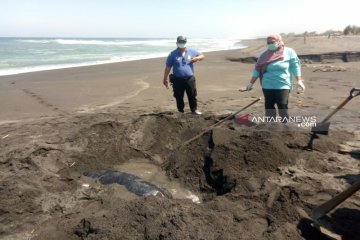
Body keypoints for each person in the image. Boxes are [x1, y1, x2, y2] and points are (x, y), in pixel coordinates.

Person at [240, 34, 305, 122]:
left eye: (272, 42)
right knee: (269, 106)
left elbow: (295, 66)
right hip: (267, 85)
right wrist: (251, 83)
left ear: (279, 41)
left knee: (282, 105)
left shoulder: (289, 52)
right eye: (268, 42)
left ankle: (285, 125)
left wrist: (299, 80)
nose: (270, 44)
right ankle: (271, 127)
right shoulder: (263, 55)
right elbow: (257, 70)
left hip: (283, 84)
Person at [163, 36, 205, 115]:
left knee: (192, 95)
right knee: (179, 97)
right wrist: (165, 78)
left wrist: (197, 58)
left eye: (183, 42)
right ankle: (181, 111)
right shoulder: (172, 54)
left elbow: (202, 56)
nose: (181, 44)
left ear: (186, 43)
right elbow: (168, 67)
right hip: (177, 79)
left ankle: (194, 110)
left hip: (190, 78)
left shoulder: (191, 51)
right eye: (180, 42)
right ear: (177, 43)